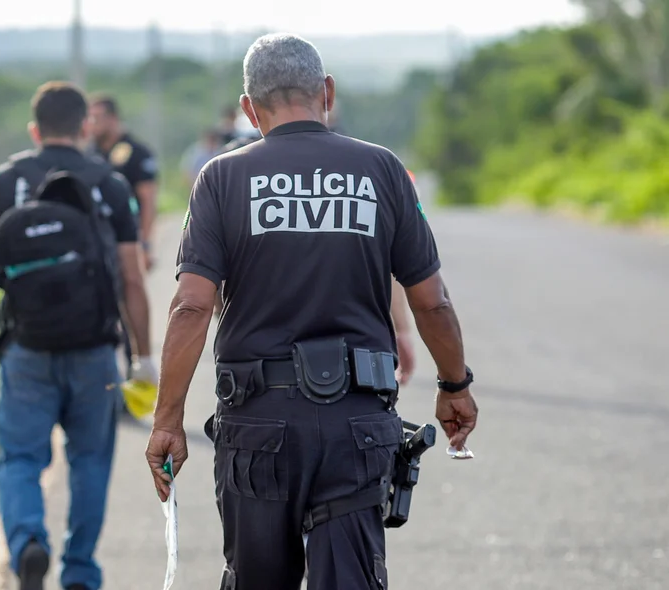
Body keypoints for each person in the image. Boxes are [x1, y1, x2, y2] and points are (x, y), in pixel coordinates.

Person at [144, 33, 479, 589]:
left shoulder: (222, 178)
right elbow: (432, 301)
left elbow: (190, 307)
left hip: (257, 428)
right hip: (357, 425)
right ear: (326, 92)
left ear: (250, 109)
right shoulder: (383, 170)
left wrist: (167, 420)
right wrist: (455, 385)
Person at [0, 81, 156, 590]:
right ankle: (80, 573)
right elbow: (132, 278)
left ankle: (27, 542)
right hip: (94, 350)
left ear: (34, 129)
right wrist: (141, 355)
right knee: (90, 460)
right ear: (86, 127)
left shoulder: (2, 183)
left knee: (20, 457)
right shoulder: (110, 184)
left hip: (25, 349)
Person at [87, 94, 160, 272]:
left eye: (96, 118)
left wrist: (144, 245)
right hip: (97, 245)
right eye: (88, 119)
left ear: (113, 119)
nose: (91, 124)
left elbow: (148, 200)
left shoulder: (138, 153)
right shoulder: (89, 154)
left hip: (128, 241)